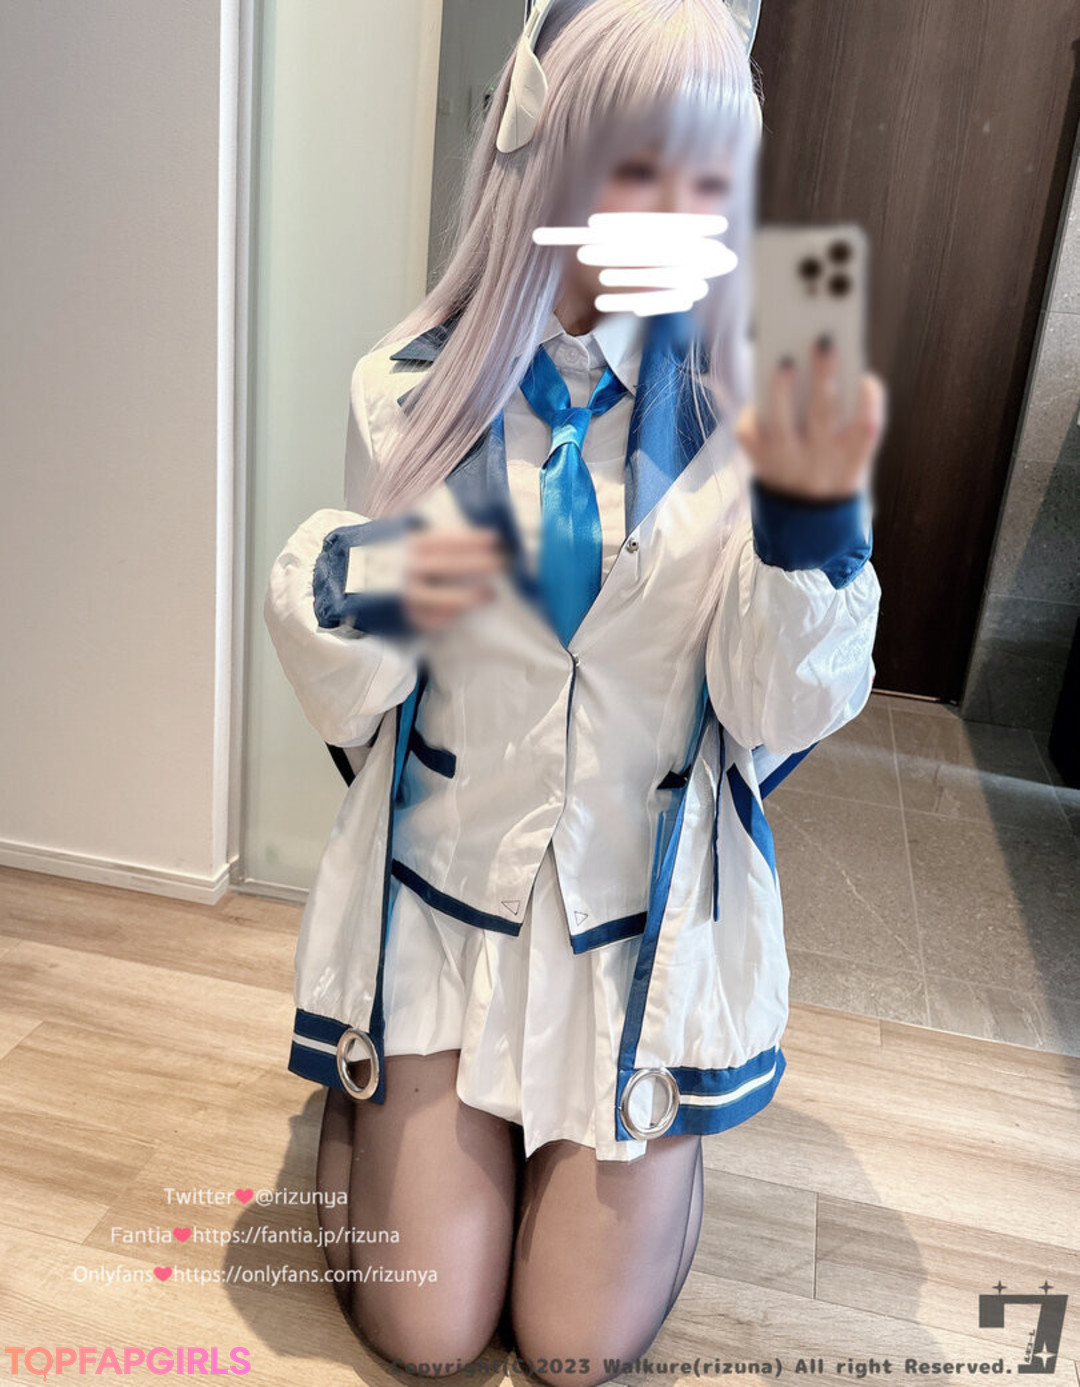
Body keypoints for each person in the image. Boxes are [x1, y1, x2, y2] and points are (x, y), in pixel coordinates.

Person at [262, 0, 886, 1381]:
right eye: (640, 158)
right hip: (451, 905)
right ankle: (376, 1099)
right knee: (426, 1331)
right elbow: (366, 699)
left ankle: (651, 1153)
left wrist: (814, 533)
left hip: (630, 930)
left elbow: (772, 712)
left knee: (571, 1349)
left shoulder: (752, 414)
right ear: (546, 152)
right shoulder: (403, 396)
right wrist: (409, 575)